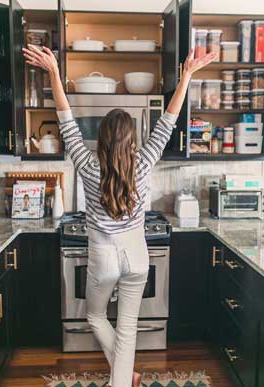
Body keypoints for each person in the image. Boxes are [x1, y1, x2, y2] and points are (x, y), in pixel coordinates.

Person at [23, 44, 215, 387]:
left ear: (102, 140)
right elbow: (169, 120)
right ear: (132, 141)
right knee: (127, 329)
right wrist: (186, 76)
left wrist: (53, 72)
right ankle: (124, 379)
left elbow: (65, 119)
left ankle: (122, 380)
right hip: (137, 255)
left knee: (96, 315)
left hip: (104, 255)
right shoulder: (143, 163)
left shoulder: (86, 164)